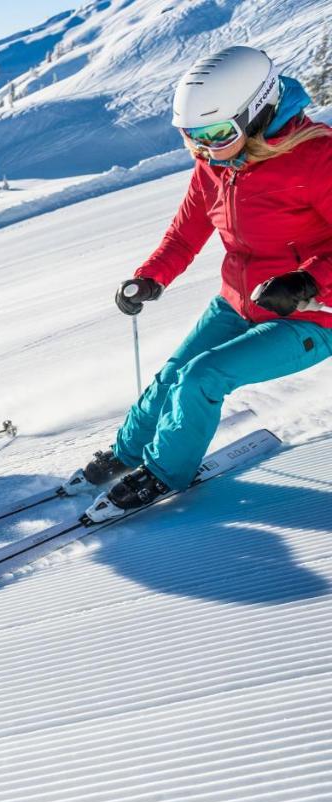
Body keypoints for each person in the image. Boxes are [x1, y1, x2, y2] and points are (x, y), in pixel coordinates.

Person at [81, 46, 332, 520]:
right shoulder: (216, 164)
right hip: (238, 302)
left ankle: (164, 472)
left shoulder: (318, 158)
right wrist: (150, 278)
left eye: (216, 134)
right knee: (175, 373)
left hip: (310, 315)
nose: (203, 149)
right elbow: (186, 231)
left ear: (258, 112)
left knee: (203, 377)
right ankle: (127, 452)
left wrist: (306, 283)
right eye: (191, 137)